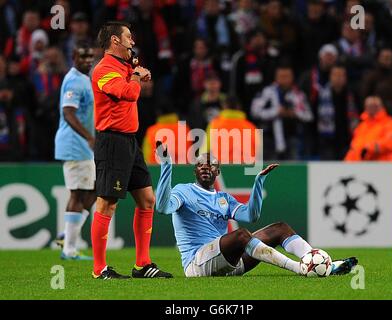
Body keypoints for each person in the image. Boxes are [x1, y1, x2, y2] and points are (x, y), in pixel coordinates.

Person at [155, 144, 358, 277]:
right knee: (242, 235)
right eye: (200, 164)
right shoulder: (183, 191)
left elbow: (251, 215)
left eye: (211, 164)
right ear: (195, 170)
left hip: (230, 264)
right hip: (197, 264)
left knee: (280, 228)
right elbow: (163, 207)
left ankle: (322, 263)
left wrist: (258, 182)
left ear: (218, 171)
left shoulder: (223, 199)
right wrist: (166, 166)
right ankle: (301, 268)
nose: (206, 167)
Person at [90, 21, 172, 279]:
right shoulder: (103, 69)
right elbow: (128, 94)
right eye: (128, 37)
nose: (132, 41)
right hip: (112, 142)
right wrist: (136, 77)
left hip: (129, 141)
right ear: (115, 40)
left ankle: (142, 264)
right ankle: (99, 268)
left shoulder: (123, 66)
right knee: (107, 203)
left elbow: (132, 82)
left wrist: (137, 72)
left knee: (147, 200)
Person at [54, 41, 96, 260]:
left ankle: (68, 233)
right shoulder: (73, 81)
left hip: (83, 147)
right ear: (73, 57)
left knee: (95, 189)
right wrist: (89, 137)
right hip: (75, 144)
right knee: (78, 193)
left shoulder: (84, 79)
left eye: (90, 57)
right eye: (83, 57)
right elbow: (69, 113)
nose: (87, 61)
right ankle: (69, 248)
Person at [345, 95, 392, 161]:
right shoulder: (362, 126)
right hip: (365, 166)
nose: (372, 108)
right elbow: (355, 147)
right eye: (369, 106)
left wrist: (371, 147)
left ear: (381, 106)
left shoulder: (390, 123)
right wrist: (346, 163)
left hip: (387, 165)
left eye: (374, 106)